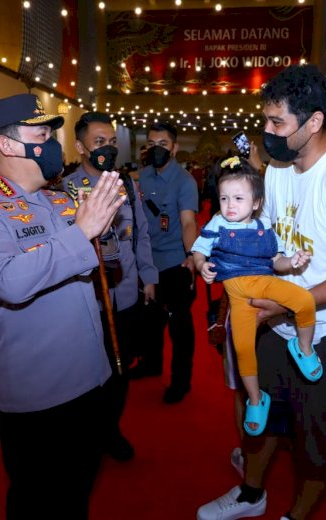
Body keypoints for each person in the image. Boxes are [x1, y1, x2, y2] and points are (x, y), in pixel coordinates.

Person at [197, 64, 326, 520]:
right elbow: (263, 236)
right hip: (277, 320)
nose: (267, 132)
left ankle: (296, 515)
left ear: (314, 121)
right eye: (265, 120)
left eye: (277, 122)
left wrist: (287, 304)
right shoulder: (279, 169)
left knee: (319, 441)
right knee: (262, 413)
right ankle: (252, 494)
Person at [0, 93, 125, 519]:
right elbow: (10, 282)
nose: (53, 144)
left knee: (78, 494)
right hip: (40, 395)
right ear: (7, 145)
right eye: (42, 135)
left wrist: (104, 230)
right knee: (37, 503)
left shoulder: (62, 200)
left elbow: (103, 264)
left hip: (92, 378)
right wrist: (81, 233)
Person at [191, 158, 318, 437]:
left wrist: (293, 261)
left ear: (256, 202)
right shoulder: (217, 223)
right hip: (238, 300)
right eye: (224, 198)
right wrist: (202, 265)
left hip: (265, 283)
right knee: (243, 350)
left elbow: (277, 261)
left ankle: (304, 347)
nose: (230, 205)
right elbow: (199, 250)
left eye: (238, 198)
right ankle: (256, 399)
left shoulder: (265, 227)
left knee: (305, 300)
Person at [62, 111, 158, 461]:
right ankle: (86, 432)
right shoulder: (64, 189)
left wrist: (149, 277)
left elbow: (141, 235)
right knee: (87, 370)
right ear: (80, 147)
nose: (108, 149)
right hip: (87, 299)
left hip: (126, 292)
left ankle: (110, 429)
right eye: (99, 142)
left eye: (112, 142)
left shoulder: (126, 185)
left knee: (120, 369)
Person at [135, 121, 199, 404]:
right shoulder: (144, 176)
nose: (156, 149)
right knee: (149, 320)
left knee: (179, 327)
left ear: (174, 148)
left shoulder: (184, 181)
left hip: (175, 261)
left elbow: (188, 222)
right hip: (148, 261)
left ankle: (181, 381)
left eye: (162, 144)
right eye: (151, 144)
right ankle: (151, 363)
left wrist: (192, 256)